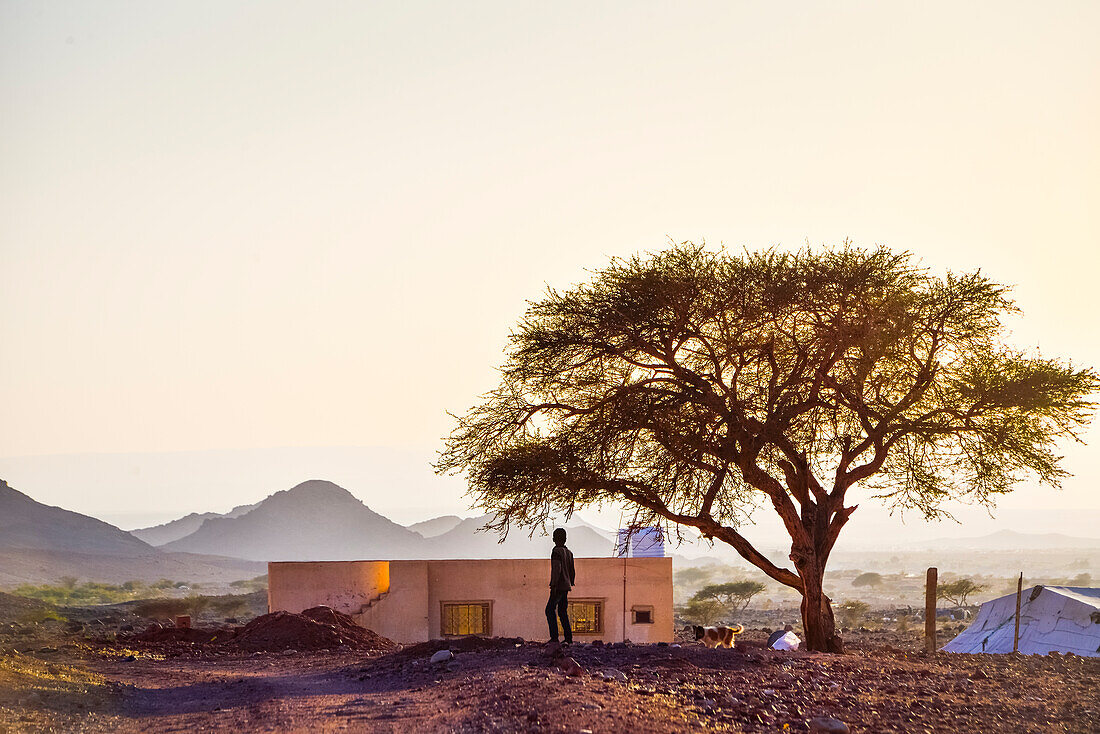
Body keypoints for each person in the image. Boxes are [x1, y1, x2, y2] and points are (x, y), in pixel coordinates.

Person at [546, 527, 576, 644]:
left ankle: (554, 638)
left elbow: (556, 569)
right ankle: (568, 638)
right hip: (566, 586)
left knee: (549, 610)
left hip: (558, 586)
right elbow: (572, 570)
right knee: (562, 611)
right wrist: (571, 581)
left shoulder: (556, 552)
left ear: (554, 539)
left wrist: (553, 585)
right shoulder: (569, 553)